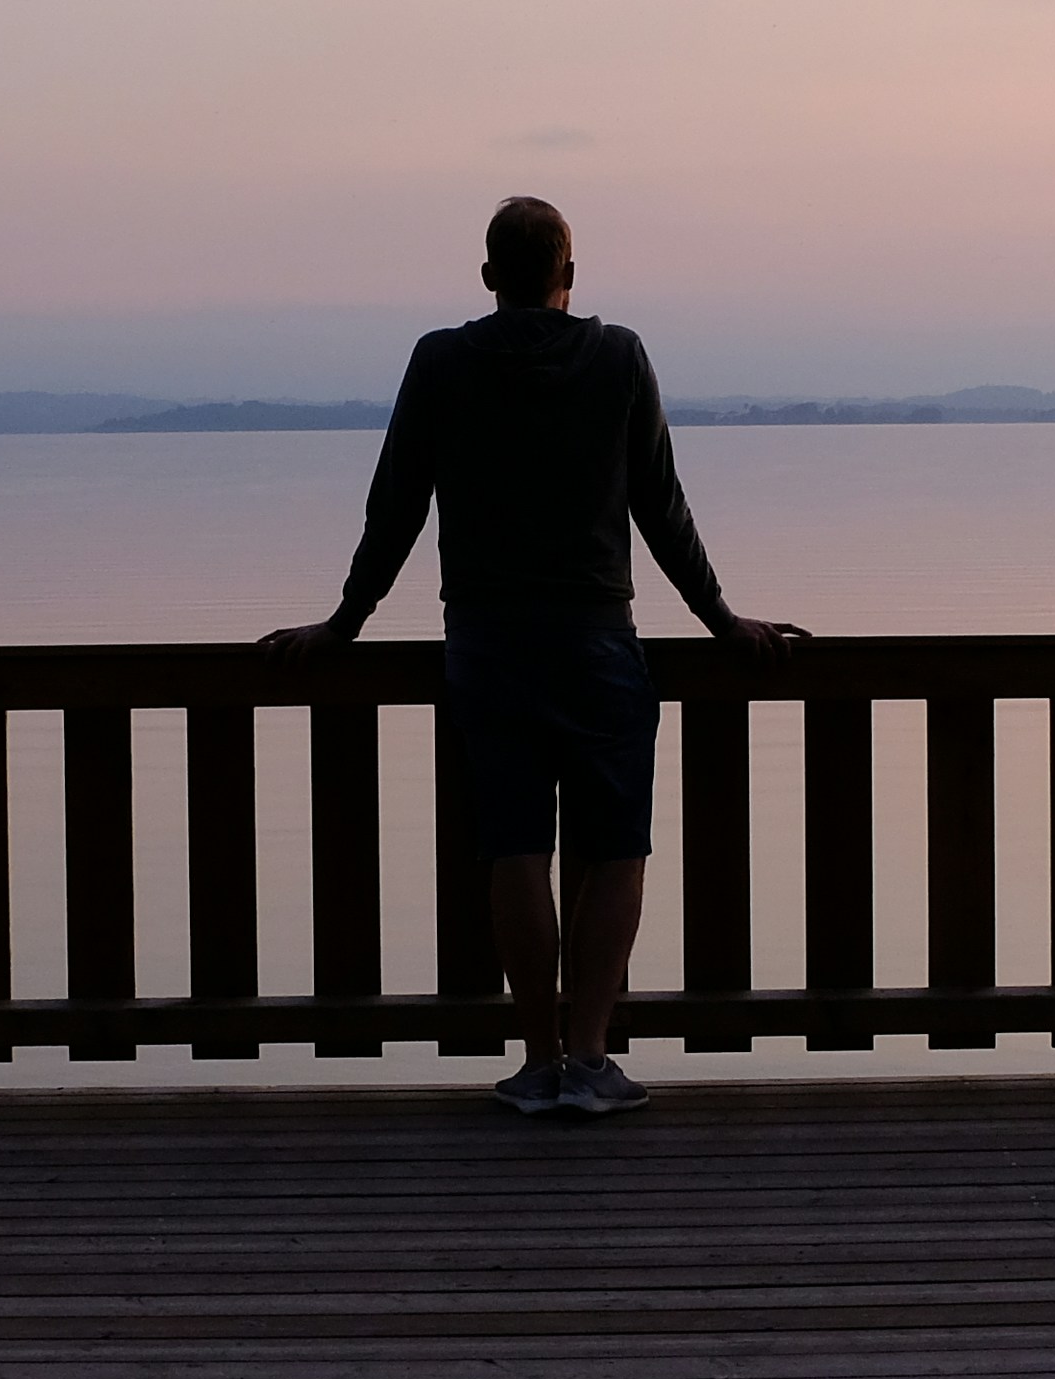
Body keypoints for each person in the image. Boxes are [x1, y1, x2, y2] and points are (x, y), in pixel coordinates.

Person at [267, 197, 806, 1113]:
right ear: (571, 275)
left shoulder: (441, 362)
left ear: (488, 276)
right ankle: (590, 1059)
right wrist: (722, 621)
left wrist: (343, 625)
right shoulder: (618, 357)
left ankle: (539, 1061)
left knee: (515, 848)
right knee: (617, 848)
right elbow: (661, 506)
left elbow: (395, 507)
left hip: (487, 644)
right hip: (597, 639)